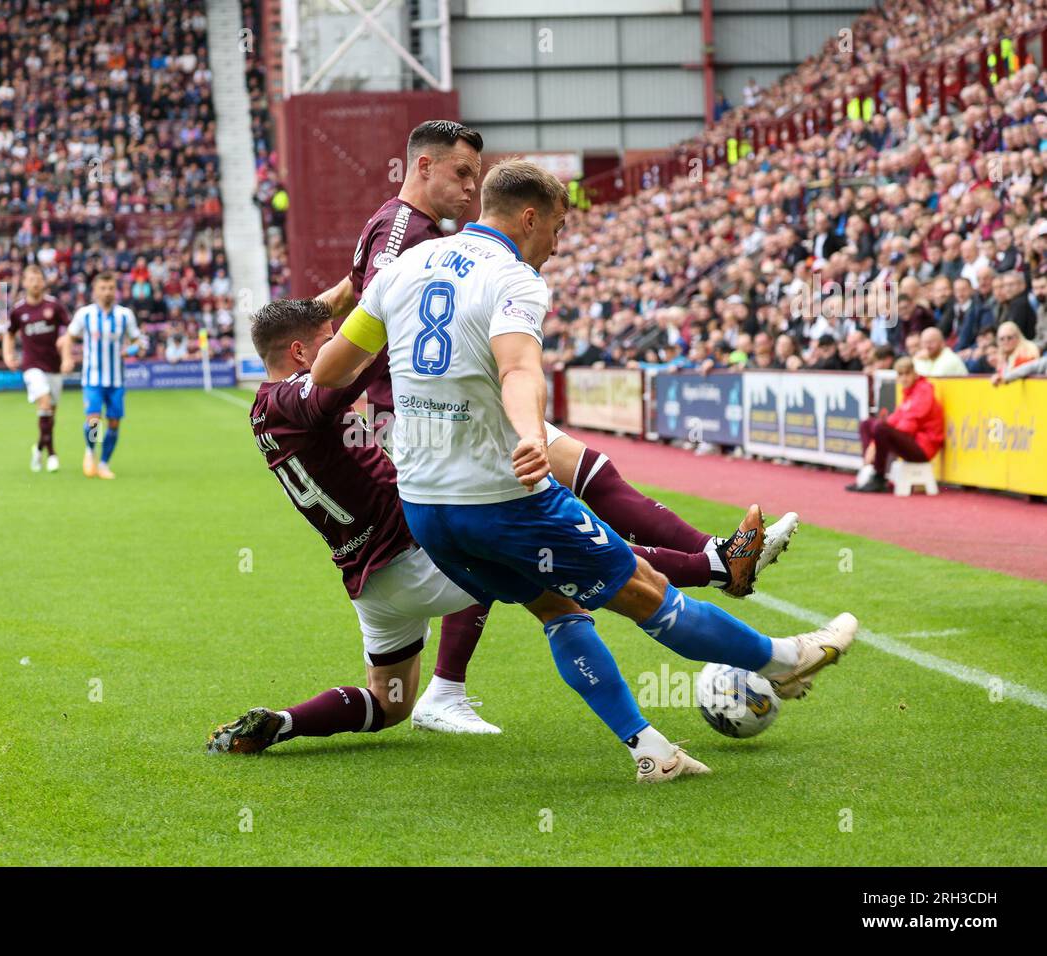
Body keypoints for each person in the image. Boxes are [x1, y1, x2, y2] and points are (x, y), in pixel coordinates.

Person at [312, 160, 856, 783]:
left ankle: (649, 747)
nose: (557, 242)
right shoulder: (513, 278)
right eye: (559, 228)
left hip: (427, 508)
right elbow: (518, 368)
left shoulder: (401, 269)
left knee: (558, 610)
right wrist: (527, 437)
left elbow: (332, 370)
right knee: (645, 591)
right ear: (528, 218)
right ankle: (784, 660)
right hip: (503, 500)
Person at [209, 299, 797, 755]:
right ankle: (716, 572)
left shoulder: (263, 409)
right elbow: (333, 388)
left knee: (388, 703)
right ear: (300, 354)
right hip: (415, 555)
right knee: (568, 567)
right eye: (328, 343)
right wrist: (397, 323)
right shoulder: (297, 399)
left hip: (371, 582)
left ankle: (283, 722)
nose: (342, 348)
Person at [66, 272, 143, 480]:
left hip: (116, 380)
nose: (107, 292)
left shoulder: (125, 315)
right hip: (92, 378)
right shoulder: (85, 314)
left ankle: (104, 463)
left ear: (115, 290)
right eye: (103, 288)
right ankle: (90, 452)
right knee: (94, 420)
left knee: (114, 423)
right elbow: (69, 337)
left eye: (110, 287)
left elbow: (139, 342)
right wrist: (66, 358)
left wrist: (132, 351)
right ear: (95, 290)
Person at [3, 264, 70, 473]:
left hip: (53, 365)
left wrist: (67, 356)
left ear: (44, 281)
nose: (35, 282)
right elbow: (9, 334)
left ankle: (39, 448)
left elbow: (68, 332)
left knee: (50, 415)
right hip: (31, 366)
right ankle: (52, 455)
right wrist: (8, 355)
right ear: (24, 283)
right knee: (45, 402)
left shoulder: (55, 306)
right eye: (30, 278)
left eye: (38, 278)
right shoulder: (19, 310)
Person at [847, 357, 945, 493]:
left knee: (880, 429)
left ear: (915, 374)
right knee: (867, 424)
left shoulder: (924, 391)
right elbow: (895, 418)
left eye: (907, 374)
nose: (904, 378)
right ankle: (869, 470)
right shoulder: (908, 393)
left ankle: (879, 477)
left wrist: (875, 442)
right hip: (912, 442)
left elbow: (909, 426)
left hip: (924, 447)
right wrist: (873, 443)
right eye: (900, 375)